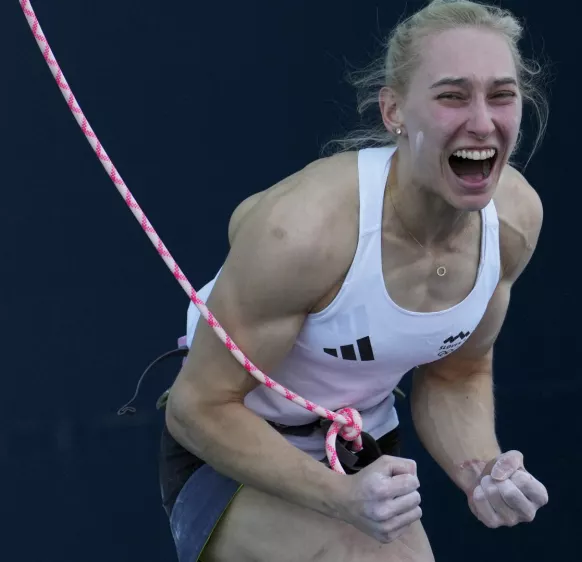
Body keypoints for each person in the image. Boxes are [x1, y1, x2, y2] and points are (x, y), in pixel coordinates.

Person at [157, 1, 550, 560]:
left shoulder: (513, 220)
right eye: (452, 96)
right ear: (394, 111)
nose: (483, 122)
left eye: (502, 95)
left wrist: (482, 469)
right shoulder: (304, 231)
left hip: (359, 448)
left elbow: (456, 372)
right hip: (232, 448)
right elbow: (198, 409)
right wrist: (341, 497)